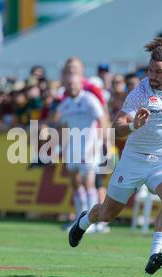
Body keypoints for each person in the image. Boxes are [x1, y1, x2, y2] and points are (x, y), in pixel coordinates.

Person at [68, 37, 162, 275]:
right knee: (106, 215)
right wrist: (134, 126)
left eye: (158, 72)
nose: (152, 76)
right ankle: (84, 220)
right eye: (150, 70)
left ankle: (156, 253)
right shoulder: (140, 92)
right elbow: (116, 127)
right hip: (133, 160)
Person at [53, 73, 110, 233]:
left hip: (89, 146)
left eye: (74, 84)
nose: (71, 87)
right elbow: (62, 124)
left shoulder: (90, 100)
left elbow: (103, 120)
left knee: (89, 183)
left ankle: (91, 221)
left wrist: (102, 141)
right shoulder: (65, 104)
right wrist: (60, 146)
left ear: (80, 85)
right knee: (75, 183)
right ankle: (80, 220)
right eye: (69, 85)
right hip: (72, 147)